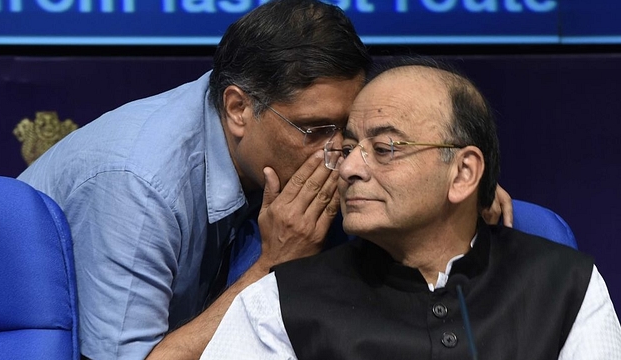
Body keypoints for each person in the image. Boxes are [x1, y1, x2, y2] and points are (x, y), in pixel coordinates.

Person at [18, 2, 511, 359]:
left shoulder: (291, 147)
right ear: (238, 109)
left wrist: (450, 192)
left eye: (354, 130)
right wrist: (273, 265)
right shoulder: (139, 186)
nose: (340, 154)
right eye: (317, 130)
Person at [200, 58, 621, 360]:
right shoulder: (276, 306)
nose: (348, 168)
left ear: (463, 173)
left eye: (384, 149)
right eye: (347, 148)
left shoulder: (568, 286)